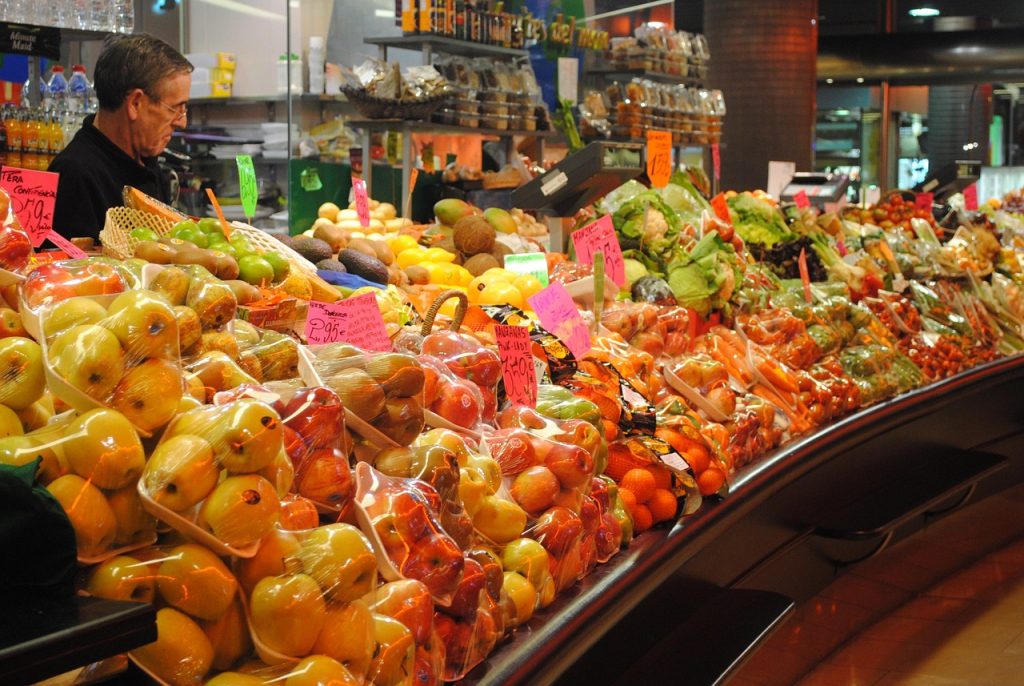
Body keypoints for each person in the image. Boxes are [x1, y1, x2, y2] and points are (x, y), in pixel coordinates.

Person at [49, 33, 192, 241]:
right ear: (135, 103)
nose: (182, 122)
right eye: (175, 109)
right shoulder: (74, 174)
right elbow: (74, 268)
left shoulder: (145, 158)